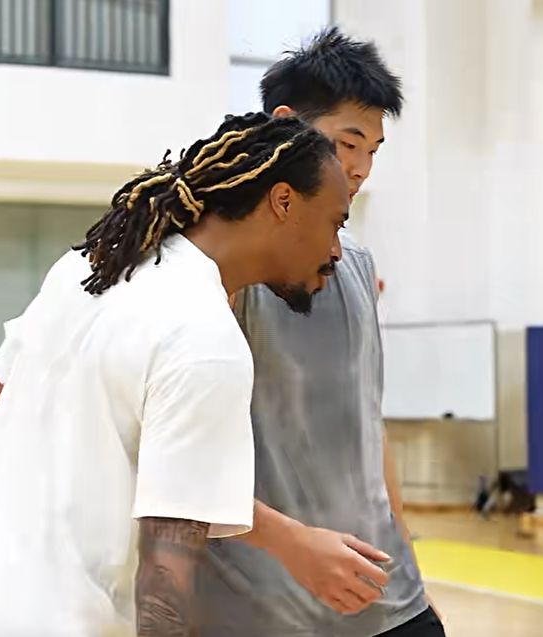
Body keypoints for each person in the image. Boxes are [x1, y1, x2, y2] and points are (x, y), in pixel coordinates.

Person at [0, 112, 351, 637]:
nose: (337, 250)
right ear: (283, 201)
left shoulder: (88, 266)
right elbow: (164, 584)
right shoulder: (204, 336)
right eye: (336, 223)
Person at [198, 29, 446, 637]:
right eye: (346, 144)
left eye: (373, 151)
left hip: (386, 600)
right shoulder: (223, 269)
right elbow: (174, 454)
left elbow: (368, 424)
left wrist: (409, 570)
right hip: (265, 612)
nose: (360, 168)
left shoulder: (355, 262)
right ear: (287, 127)